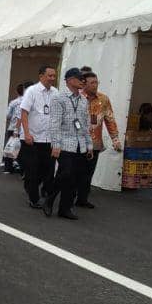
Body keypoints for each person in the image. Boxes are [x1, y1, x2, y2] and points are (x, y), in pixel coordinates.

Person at [43, 68, 93, 220]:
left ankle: (65, 208)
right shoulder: (59, 98)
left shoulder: (84, 100)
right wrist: (56, 145)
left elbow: (85, 124)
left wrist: (89, 145)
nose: (82, 81)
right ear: (70, 80)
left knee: (74, 178)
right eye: (80, 78)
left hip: (80, 144)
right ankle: (50, 199)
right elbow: (54, 123)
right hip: (65, 143)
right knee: (65, 173)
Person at [19, 66, 60, 208]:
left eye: (54, 76)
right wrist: (27, 133)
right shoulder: (32, 91)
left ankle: (31, 186)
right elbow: (24, 113)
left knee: (46, 170)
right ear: (41, 76)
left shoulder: (56, 92)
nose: (52, 79)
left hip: (48, 139)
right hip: (32, 138)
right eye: (49, 76)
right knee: (32, 169)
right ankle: (34, 199)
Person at [80, 72, 121, 208]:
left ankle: (82, 199)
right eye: (92, 83)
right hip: (78, 142)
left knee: (88, 172)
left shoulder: (103, 99)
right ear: (84, 83)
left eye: (96, 82)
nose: (95, 85)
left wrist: (115, 139)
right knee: (74, 171)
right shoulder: (77, 97)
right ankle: (68, 196)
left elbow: (110, 120)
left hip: (95, 143)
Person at [3, 82, 28, 174]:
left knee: (10, 146)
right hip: (25, 129)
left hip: (13, 128)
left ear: (17, 92)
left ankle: (8, 168)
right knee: (22, 149)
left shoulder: (14, 102)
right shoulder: (28, 101)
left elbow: (8, 115)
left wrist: (16, 129)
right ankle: (20, 166)